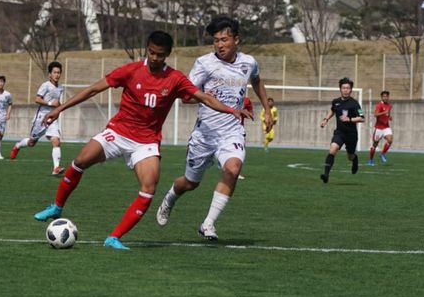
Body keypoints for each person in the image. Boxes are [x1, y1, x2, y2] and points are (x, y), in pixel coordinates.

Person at [32, 30, 251, 251]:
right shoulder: (131, 71)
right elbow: (93, 90)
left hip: (146, 142)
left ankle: (114, 238)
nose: (155, 58)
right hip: (118, 132)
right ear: (147, 49)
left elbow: (202, 97)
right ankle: (57, 207)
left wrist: (231, 110)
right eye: (152, 52)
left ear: (167, 54)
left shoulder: (175, 79)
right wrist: (59, 109)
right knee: (80, 161)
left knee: (149, 187)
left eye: (160, 54)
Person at [155, 16, 272, 241]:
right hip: (204, 134)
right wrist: (203, 98)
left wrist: (266, 109)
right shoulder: (204, 63)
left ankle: (207, 224)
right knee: (190, 183)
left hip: (231, 131)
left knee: (233, 168)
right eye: (216, 40)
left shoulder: (249, 62)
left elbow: (257, 81)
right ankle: (169, 198)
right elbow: (186, 95)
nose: (219, 45)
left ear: (236, 40)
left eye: (224, 39)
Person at [10, 61, 65, 175]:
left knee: (56, 141)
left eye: (59, 72)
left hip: (52, 119)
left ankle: (56, 168)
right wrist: (50, 103)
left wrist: (57, 112)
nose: (57, 75)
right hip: (41, 118)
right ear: (50, 74)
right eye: (54, 72)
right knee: (31, 143)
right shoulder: (45, 85)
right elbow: (37, 99)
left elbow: (57, 104)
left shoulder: (60, 88)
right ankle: (17, 146)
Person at [319, 77, 364, 184]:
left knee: (350, 156)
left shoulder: (355, 103)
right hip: (340, 132)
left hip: (351, 134)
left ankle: (355, 159)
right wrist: (326, 119)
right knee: (332, 150)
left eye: (348, 88)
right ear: (340, 89)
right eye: (343, 88)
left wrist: (349, 119)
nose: (345, 90)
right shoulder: (336, 102)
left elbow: (362, 118)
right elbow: (332, 110)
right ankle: (326, 175)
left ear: (351, 90)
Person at [368, 90, 393, 165]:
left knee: (390, 140)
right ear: (381, 97)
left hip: (386, 127)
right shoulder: (379, 105)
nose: (385, 98)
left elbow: (387, 114)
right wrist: (384, 112)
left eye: (386, 96)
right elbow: (375, 114)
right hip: (379, 128)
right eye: (384, 96)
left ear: (388, 97)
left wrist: (389, 117)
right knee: (374, 145)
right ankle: (371, 160)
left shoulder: (389, 105)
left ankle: (382, 153)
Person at [237, 96, 254, 180]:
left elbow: (250, 111)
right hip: (225, 128)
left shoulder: (246, 100)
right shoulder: (226, 96)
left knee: (241, 151)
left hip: (239, 129)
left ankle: (236, 172)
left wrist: (248, 114)